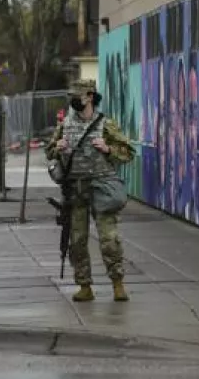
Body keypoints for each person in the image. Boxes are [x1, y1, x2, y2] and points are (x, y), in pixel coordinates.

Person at [45, 79, 136, 302]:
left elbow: (129, 151)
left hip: (101, 187)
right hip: (76, 190)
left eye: (78, 95)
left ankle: (117, 283)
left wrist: (108, 148)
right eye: (72, 96)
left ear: (89, 96)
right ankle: (84, 285)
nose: (74, 100)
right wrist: (56, 148)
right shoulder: (66, 124)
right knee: (77, 241)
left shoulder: (105, 124)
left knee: (109, 238)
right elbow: (49, 151)